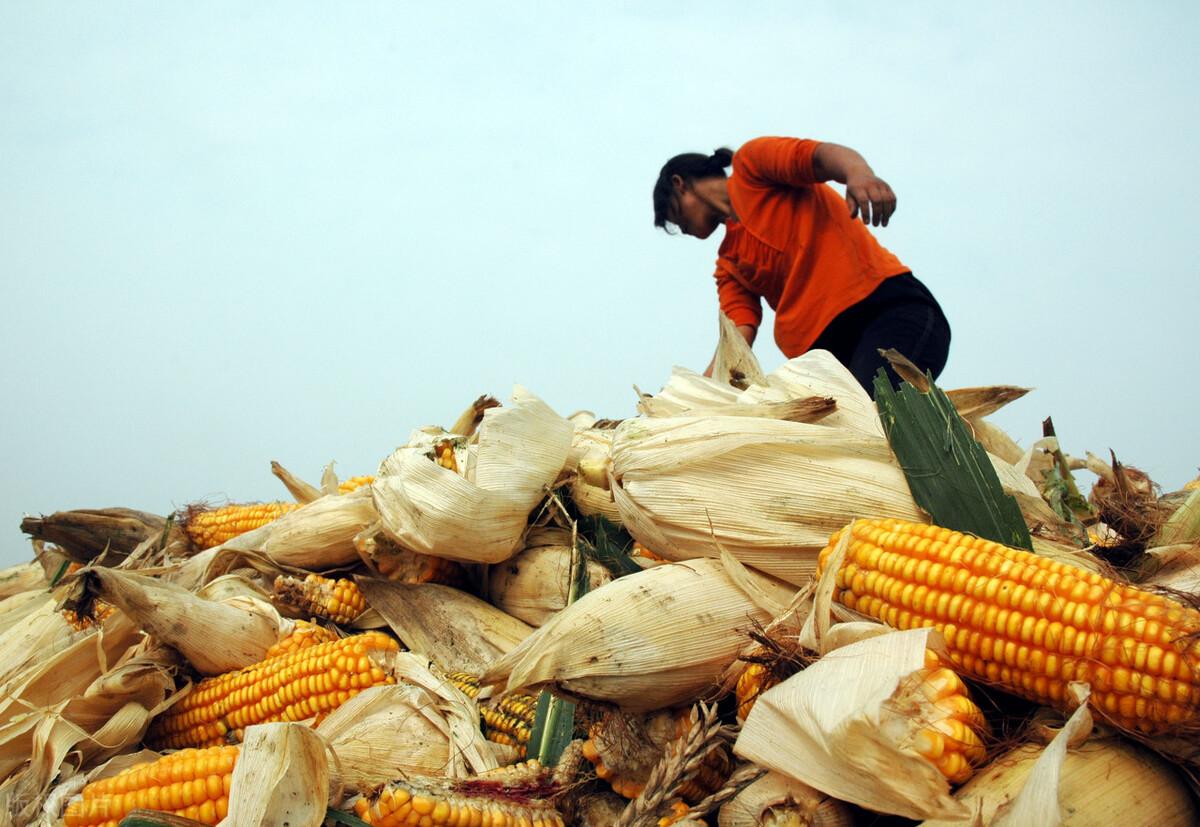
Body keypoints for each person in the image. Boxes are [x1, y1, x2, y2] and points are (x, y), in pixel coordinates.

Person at [652, 136, 951, 394]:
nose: (680, 228)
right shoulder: (728, 264)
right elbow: (735, 340)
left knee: (869, 409)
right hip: (827, 361)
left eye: (672, 217)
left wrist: (858, 173)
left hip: (883, 312)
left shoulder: (751, 167)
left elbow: (819, 157)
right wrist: (692, 396)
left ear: (679, 184)